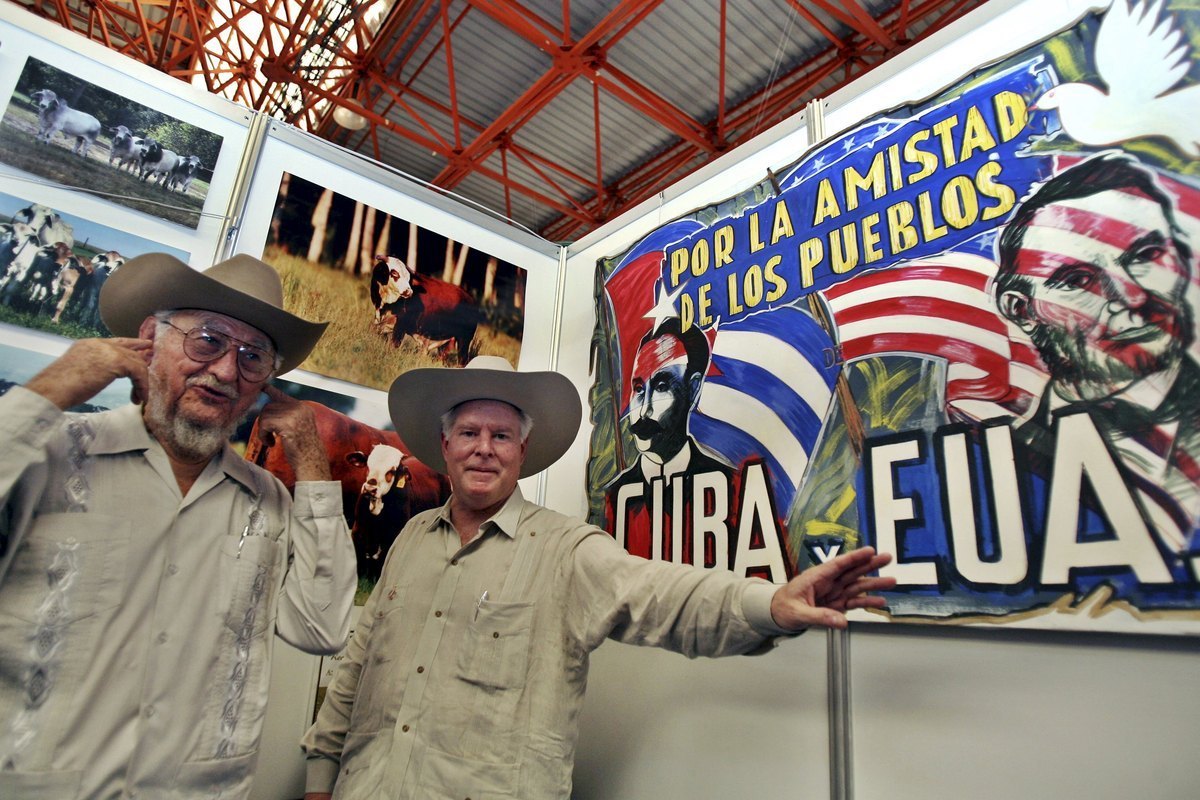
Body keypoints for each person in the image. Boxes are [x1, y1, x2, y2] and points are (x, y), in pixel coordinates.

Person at [301, 355, 894, 799]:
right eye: (470, 433)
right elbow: (357, 663)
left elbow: (662, 595)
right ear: (444, 445)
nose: (484, 449)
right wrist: (321, 779)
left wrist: (770, 605)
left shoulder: (566, 551)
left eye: (501, 436)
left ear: (522, 452)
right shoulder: (408, 539)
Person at [0, 253, 357, 798]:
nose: (225, 371)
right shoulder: (50, 451)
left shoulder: (267, 499)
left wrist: (310, 459)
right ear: (149, 340)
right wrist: (52, 388)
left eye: (252, 357)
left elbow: (321, 628)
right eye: (208, 340)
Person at [995, 152, 1200, 552]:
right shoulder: (1005, 462)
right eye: (1078, 279)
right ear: (1022, 310)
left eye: (1144, 255)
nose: (1133, 297)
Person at [604, 317, 735, 566]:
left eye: (662, 386)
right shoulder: (614, 495)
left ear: (693, 389)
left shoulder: (728, 484)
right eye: (639, 390)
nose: (644, 412)